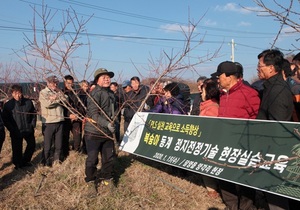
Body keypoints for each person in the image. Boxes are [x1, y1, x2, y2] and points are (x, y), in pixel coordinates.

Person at [211, 61, 260, 210]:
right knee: (224, 175)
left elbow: (257, 118)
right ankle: (231, 205)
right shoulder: (222, 94)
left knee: (244, 179)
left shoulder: (249, 93)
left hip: (243, 144)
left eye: (219, 76)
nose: (218, 79)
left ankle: (246, 207)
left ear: (230, 77)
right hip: (224, 142)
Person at [256, 49, 293, 210]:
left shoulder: (278, 90)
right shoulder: (269, 88)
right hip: (267, 149)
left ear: (271, 68)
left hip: (274, 154)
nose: (258, 69)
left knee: (276, 199)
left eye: (260, 66)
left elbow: (278, 128)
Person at [84, 68, 117, 197]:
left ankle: (107, 179)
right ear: (97, 80)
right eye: (103, 77)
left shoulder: (111, 93)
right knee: (92, 159)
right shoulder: (95, 93)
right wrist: (107, 124)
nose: (107, 79)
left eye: (108, 77)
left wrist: (113, 123)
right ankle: (91, 181)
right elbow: (93, 113)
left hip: (107, 132)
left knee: (108, 157)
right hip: (94, 131)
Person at [2, 84, 36, 169]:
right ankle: (18, 164)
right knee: (17, 148)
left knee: (31, 145)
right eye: (15, 93)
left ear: (22, 93)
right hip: (16, 130)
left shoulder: (28, 102)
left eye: (19, 93)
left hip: (28, 128)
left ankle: (26, 161)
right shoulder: (8, 105)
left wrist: (32, 125)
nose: (18, 95)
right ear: (12, 93)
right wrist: (12, 129)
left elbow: (33, 114)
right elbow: (5, 119)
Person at [39, 75, 67, 166]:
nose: (55, 84)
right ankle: (46, 162)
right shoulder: (43, 92)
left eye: (56, 82)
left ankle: (57, 161)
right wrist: (57, 99)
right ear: (48, 83)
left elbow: (65, 99)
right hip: (48, 122)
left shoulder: (59, 91)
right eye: (52, 82)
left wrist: (55, 98)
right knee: (48, 144)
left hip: (59, 120)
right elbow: (47, 104)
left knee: (58, 144)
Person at [199, 79, 220, 198]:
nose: (201, 94)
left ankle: (212, 190)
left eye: (202, 91)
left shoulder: (212, 108)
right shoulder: (206, 106)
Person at [62, 75, 84, 156]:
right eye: (68, 83)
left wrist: (77, 114)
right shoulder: (61, 93)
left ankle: (76, 151)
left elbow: (81, 105)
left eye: (71, 83)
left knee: (77, 136)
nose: (70, 85)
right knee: (65, 137)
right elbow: (62, 107)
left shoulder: (77, 93)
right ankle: (65, 153)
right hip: (66, 119)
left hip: (76, 118)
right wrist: (69, 115)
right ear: (65, 83)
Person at [78, 80, 89, 154]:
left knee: (86, 133)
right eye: (84, 86)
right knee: (78, 134)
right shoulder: (78, 95)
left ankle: (85, 148)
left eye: (87, 86)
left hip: (87, 116)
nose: (86, 87)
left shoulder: (89, 94)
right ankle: (78, 148)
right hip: (80, 116)